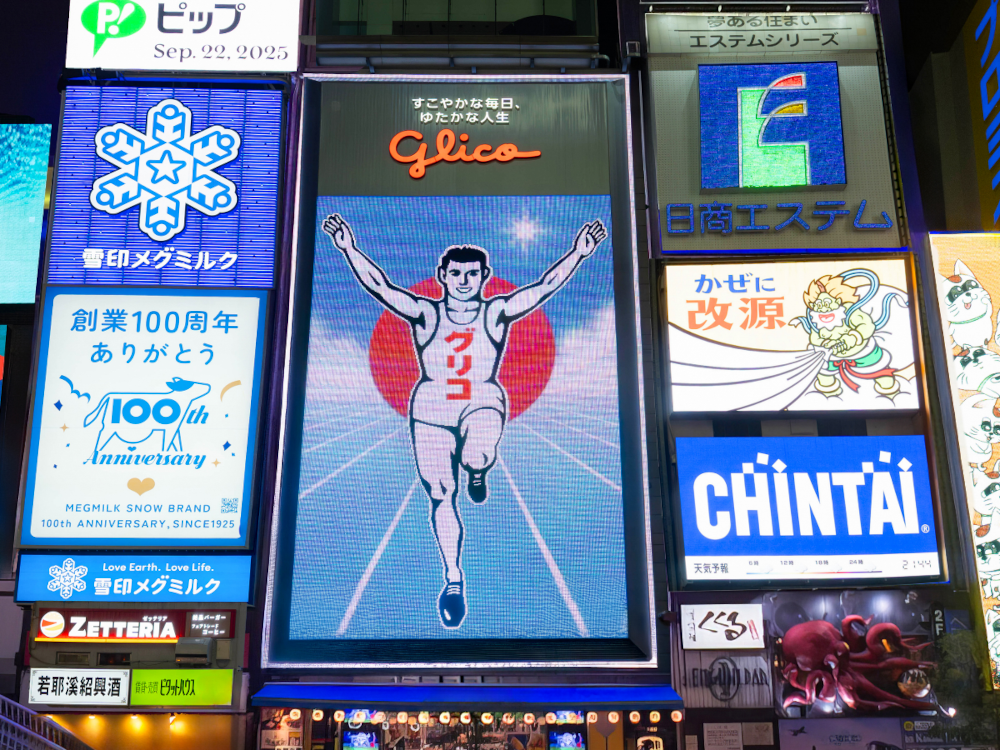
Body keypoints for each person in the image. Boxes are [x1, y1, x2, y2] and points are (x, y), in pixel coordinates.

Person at [322, 213, 608, 628]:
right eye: (455, 273)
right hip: (432, 409)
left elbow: (544, 288)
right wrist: (349, 247)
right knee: (440, 494)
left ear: (484, 277)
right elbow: (380, 287)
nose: (462, 280)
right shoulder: (425, 313)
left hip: (481, 400)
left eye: (471, 274)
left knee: (477, 453)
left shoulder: (495, 313)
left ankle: (477, 469)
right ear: (442, 275)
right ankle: (453, 578)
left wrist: (579, 253)